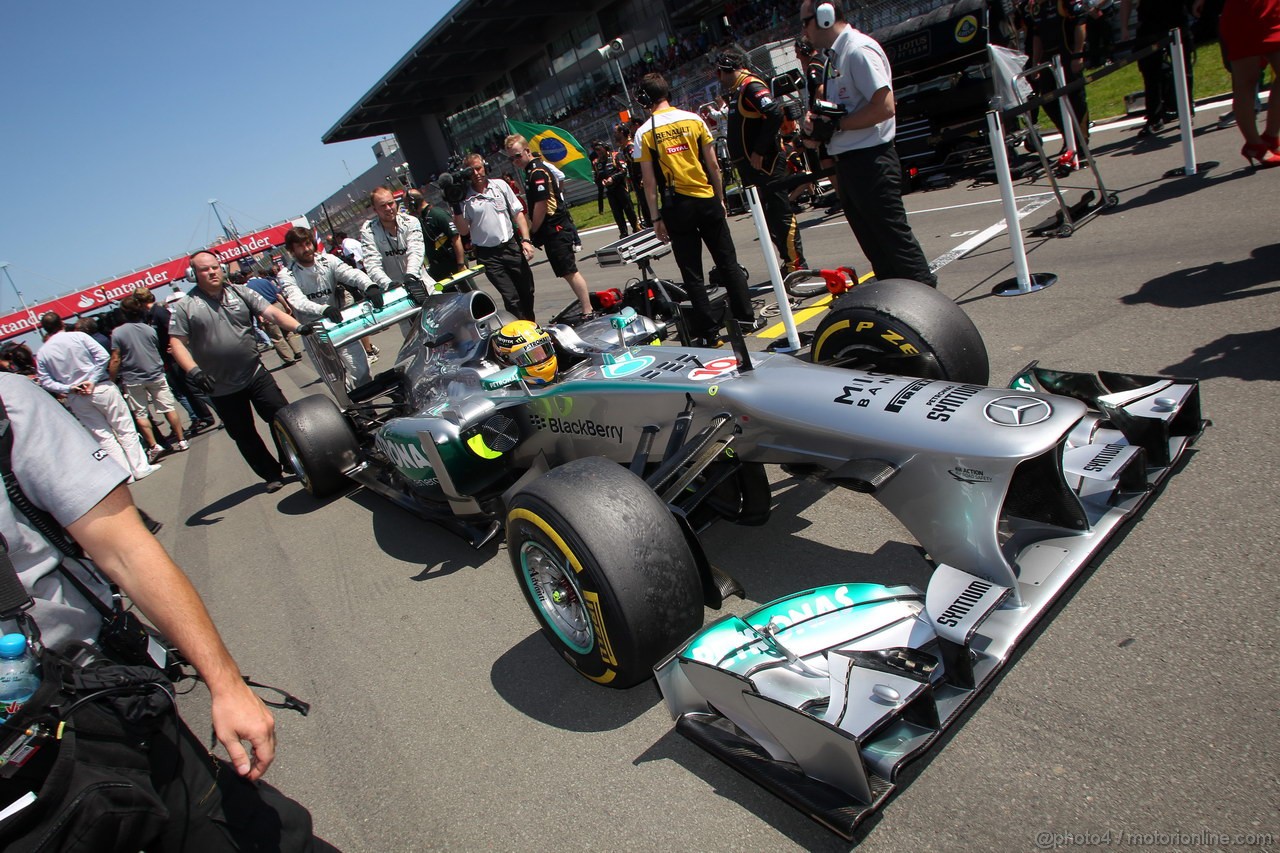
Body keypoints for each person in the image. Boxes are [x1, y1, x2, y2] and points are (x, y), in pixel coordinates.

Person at [0, 373, 333, 851]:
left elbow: (126, 548)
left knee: (241, 834)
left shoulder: (9, 405)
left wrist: (226, 683)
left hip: (86, 711)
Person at [801, 1, 939, 288]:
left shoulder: (857, 50)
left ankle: (929, 304)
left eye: (805, 22)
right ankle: (901, 309)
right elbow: (843, 108)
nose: (803, 30)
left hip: (871, 160)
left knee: (894, 243)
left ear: (824, 18)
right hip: (851, 162)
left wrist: (836, 125)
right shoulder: (835, 57)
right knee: (877, 249)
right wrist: (820, 123)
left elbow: (885, 107)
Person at [169, 250, 314, 493]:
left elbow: (272, 313)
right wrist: (194, 371)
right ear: (194, 275)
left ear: (222, 268)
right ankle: (270, 473)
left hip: (254, 372)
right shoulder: (186, 307)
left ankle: (290, 459)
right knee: (244, 433)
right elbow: (176, 344)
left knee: (282, 416)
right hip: (219, 385)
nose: (212, 272)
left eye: (215, 267)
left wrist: (299, 327)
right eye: (204, 269)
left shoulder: (240, 292)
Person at [633, 73, 759, 345]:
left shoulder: (644, 132)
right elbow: (713, 165)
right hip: (706, 198)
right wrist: (720, 197)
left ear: (644, 99)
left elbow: (649, 182)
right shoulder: (694, 119)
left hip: (676, 206)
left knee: (693, 274)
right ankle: (746, 319)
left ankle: (710, 334)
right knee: (727, 261)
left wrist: (655, 217)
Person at [34, 312, 158, 482]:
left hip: (76, 396)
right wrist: (90, 380)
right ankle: (140, 467)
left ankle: (124, 474)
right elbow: (103, 356)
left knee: (102, 436)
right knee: (124, 427)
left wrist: (69, 387)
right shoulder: (78, 336)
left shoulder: (42, 352)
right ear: (61, 323)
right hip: (100, 386)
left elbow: (45, 380)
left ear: (45, 329)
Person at [716, 48, 808, 274]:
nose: (718, 78)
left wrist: (758, 151)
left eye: (719, 73)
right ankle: (789, 263)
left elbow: (774, 113)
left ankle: (796, 264)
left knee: (779, 214)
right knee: (768, 218)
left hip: (765, 166)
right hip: (752, 168)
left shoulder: (751, 86)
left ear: (728, 69)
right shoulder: (740, 90)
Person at [277, 226, 379, 388]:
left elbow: (350, 273)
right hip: (314, 333)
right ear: (291, 250)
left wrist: (369, 286)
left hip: (339, 325)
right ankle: (352, 412)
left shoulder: (328, 260)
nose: (307, 249)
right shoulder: (286, 274)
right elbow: (296, 300)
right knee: (336, 381)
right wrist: (323, 310)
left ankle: (369, 409)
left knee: (362, 370)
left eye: (308, 243)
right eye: (301, 246)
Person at [503, 135, 593, 316]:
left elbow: (541, 205)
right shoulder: (530, 172)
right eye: (511, 158)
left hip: (556, 228)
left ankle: (588, 310)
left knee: (570, 271)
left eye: (518, 156)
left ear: (527, 151)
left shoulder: (537, 172)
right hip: (553, 229)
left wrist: (533, 230)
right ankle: (587, 307)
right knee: (566, 271)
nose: (515, 161)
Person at [451, 153, 538, 321]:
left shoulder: (500, 186)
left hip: (511, 246)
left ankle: (530, 324)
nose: (476, 173)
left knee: (527, 290)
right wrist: (455, 206)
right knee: (511, 298)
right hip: (488, 255)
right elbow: (462, 231)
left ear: (485, 167)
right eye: (471, 171)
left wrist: (526, 240)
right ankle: (524, 330)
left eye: (478, 168)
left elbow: (518, 214)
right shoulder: (464, 197)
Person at [109, 295, 188, 462]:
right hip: (156, 372)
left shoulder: (117, 333)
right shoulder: (149, 329)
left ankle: (154, 445)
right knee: (168, 407)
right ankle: (182, 440)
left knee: (141, 413)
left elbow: (115, 358)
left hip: (133, 378)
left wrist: (112, 378)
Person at [136, 287, 217, 434]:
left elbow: (175, 329)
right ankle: (204, 417)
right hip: (167, 359)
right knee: (186, 390)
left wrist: (175, 345)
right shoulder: (149, 316)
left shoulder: (159, 313)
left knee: (195, 388)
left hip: (176, 356)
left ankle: (221, 412)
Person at [1025, 0, 1090, 170]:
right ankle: (1068, 137)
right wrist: (1035, 63)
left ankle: (1081, 143)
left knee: (1076, 99)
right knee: (1048, 100)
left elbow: (1080, 23)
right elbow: (1036, 35)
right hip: (1048, 59)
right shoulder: (1036, 6)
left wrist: (1078, 54)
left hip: (1068, 54)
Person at [1217, 0, 1280, 165]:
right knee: (1247, 81)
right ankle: (1254, 144)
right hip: (1244, 13)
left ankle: (1270, 137)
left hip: (1273, 9)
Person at [1120, 0, 1196, 138]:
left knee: (1184, 68)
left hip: (1175, 16)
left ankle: (1187, 110)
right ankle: (1154, 118)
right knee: (1150, 72)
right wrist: (1124, 27)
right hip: (1149, 21)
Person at [359, 185, 428, 294]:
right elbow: (372, 263)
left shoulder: (411, 221)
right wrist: (388, 284)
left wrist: (411, 276)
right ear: (375, 209)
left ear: (395, 202)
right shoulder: (368, 231)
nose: (388, 208)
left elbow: (416, 250)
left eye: (390, 203)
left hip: (421, 283)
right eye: (382, 205)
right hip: (394, 292)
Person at [245, 269, 304, 367]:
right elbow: (278, 295)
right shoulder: (265, 281)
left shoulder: (248, 288)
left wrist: (259, 316)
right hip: (277, 305)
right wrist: (286, 306)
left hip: (265, 310)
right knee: (287, 330)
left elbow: (253, 304)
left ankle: (289, 359)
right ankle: (297, 351)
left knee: (276, 336)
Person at [411, 189, 467, 282]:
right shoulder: (420, 219)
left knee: (466, 292)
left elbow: (456, 238)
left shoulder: (437, 214)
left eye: (407, 204)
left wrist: (460, 264)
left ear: (413, 203)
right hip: (438, 267)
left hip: (453, 262)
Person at [593, 141, 640, 238]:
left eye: (599, 149)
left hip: (621, 187)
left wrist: (612, 178)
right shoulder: (597, 163)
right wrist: (601, 182)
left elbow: (624, 170)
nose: (598, 152)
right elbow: (597, 178)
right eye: (596, 151)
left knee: (628, 209)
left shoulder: (616, 156)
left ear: (605, 148)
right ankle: (623, 232)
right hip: (610, 191)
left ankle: (636, 227)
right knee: (617, 213)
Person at [615, 122, 652, 227]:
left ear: (622, 132)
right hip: (635, 179)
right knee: (642, 200)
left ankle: (652, 220)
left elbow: (639, 161)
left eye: (616, 132)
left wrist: (643, 177)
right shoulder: (625, 147)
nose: (614, 135)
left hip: (640, 178)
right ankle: (649, 221)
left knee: (645, 200)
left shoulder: (630, 146)